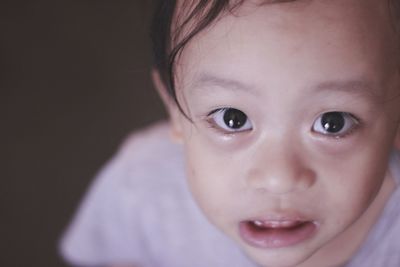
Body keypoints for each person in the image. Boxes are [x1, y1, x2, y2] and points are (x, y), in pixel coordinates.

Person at [59, 0, 400, 266]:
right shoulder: (143, 187)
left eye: (333, 122)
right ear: (175, 109)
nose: (278, 178)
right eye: (233, 119)